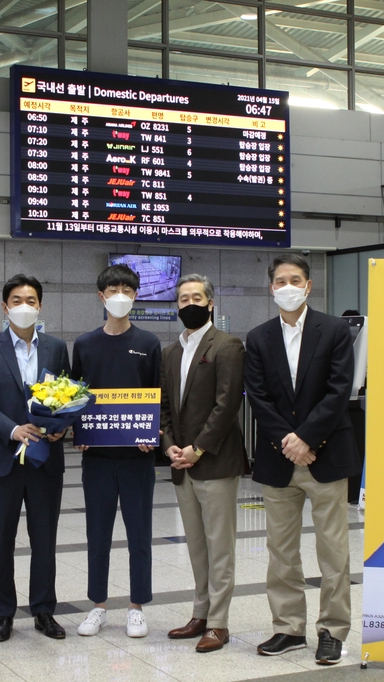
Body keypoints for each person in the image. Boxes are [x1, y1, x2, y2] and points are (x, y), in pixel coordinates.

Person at [243, 254, 359, 666]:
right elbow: (258, 398)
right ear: (270, 288)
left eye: (295, 279)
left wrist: (307, 438)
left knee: (333, 551)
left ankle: (332, 630)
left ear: (308, 286)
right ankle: (289, 627)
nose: (287, 286)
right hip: (278, 461)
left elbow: (339, 390)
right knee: (281, 552)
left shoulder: (335, 330)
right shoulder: (258, 338)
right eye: (280, 280)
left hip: (326, 455)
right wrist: (289, 442)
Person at [0, 274, 71, 643]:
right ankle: (4, 614)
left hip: (45, 460)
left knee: (45, 538)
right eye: (16, 300)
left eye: (30, 300)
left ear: (40, 305)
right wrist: (13, 429)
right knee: (2, 540)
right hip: (2, 460)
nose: (23, 306)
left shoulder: (57, 348)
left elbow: (65, 397)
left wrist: (61, 427)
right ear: (4, 307)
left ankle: (44, 610)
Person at [71, 264, 161, 639]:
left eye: (127, 289)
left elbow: (157, 395)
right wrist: (80, 431)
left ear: (136, 295)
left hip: (137, 459)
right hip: (98, 459)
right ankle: (98, 605)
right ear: (101, 296)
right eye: (113, 289)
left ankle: (137, 606)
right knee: (98, 534)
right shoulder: (85, 344)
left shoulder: (150, 342)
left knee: (140, 534)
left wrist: (151, 433)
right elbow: (75, 395)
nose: (119, 295)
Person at [160, 274, 246, 653]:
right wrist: (170, 447)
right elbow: (164, 407)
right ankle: (199, 612)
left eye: (196, 297)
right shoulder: (170, 352)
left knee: (219, 546)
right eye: (182, 299)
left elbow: (227, 405)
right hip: (181, 464)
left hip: (215, 463)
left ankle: (219, 622)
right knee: (196, 545)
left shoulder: (227, 346)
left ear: (210, 303)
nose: (189, 303)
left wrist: (198, 448)